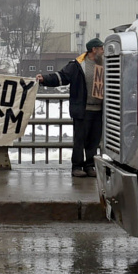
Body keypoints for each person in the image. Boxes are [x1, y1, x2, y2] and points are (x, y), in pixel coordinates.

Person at [37, 38, 105, 178]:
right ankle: (77, 166)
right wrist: (44, 79)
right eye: (101, 48)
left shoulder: (105, 64)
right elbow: (61, 77)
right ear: (94, 50)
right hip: (83, 110)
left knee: (93, 141)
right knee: (80, 140)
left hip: (99, 111)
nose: (103, 51)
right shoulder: (78, 65)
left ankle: (90, 166)